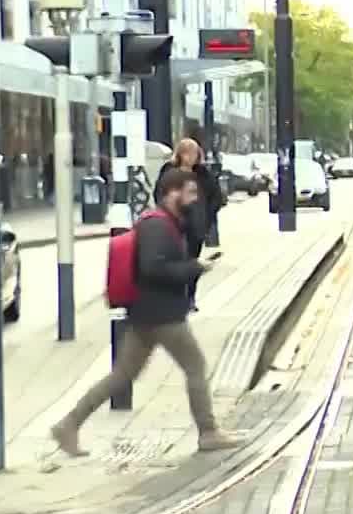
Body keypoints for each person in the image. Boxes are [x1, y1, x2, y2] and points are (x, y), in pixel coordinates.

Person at [50, 167, 241, 456]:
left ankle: (68, 425)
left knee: (122, 375)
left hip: (145, 314)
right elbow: (152, 267)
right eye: (189, 193)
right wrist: (194, 268)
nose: (193, 199)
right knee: (195, 366)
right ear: (171, 193)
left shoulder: (170, 223)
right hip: (161, 315)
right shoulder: (157, 226)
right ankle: (208, 432)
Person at [170, 138, 225, 311]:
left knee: (192, 263)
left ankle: (190, 298)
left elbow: (217, 196)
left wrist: (207, 215)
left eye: (193, 153)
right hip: (174, 225)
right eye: (186, 153)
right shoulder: (170, 171)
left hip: (196, 225)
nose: (190, 157)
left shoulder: (203, 174)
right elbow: (161, 193)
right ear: (180, 154)